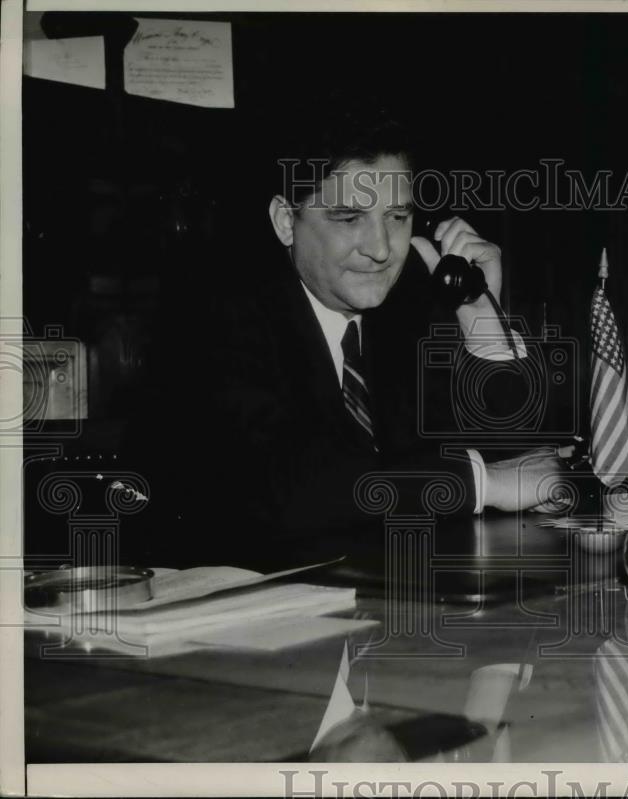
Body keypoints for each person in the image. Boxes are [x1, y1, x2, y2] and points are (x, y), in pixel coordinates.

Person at [128, 95, 567, 566]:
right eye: (349, 218)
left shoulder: (409, 308)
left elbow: (533, 464)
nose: (380, 249)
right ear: (285, 221)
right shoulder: (215, 316)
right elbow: (291, 491)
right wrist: (480, 484)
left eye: (397, 218)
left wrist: (480, 315)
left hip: (389, 602)